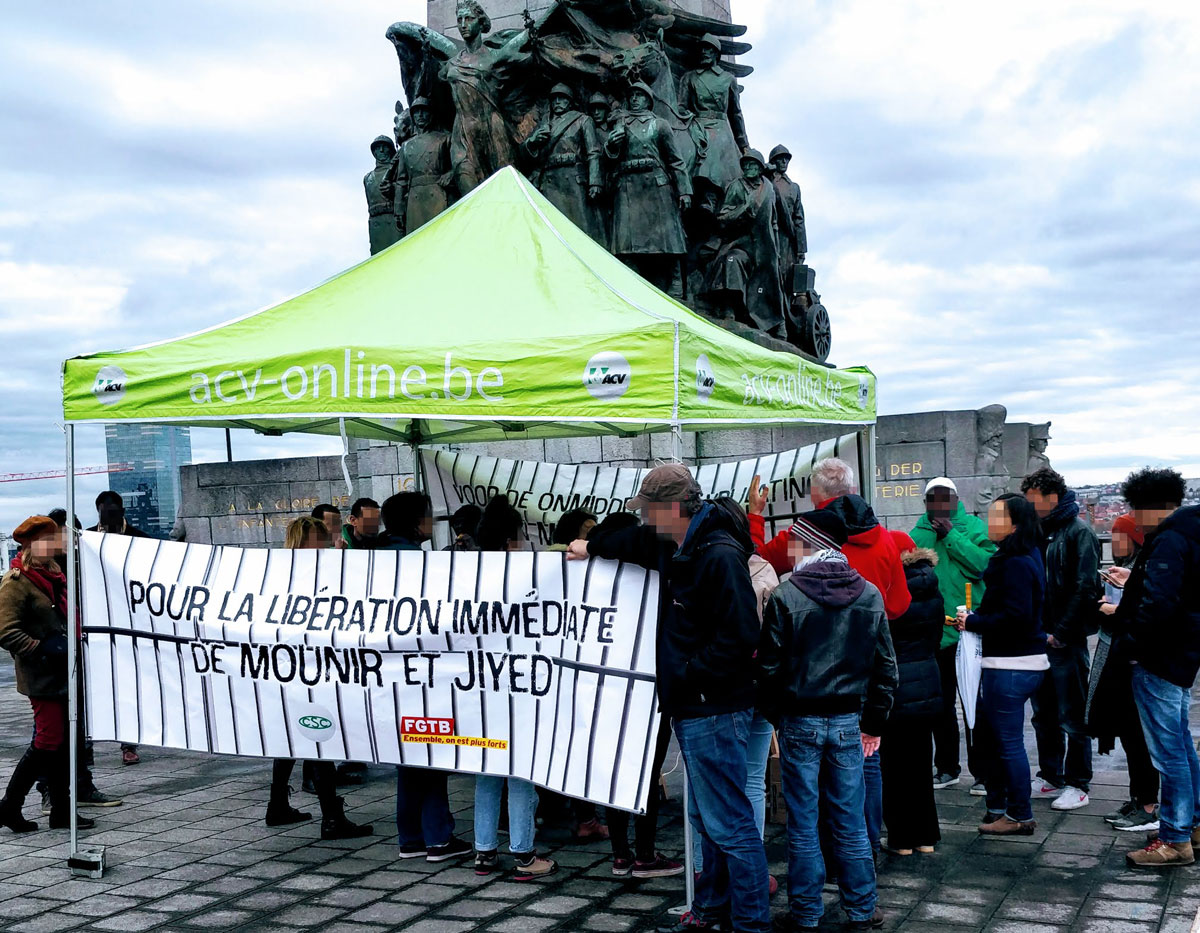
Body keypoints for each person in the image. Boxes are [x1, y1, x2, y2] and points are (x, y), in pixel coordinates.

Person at [571, 466, 769, 933]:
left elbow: (740, 635)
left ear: (672, 508)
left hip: (714, 706)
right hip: (698, 704)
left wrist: (688, 675)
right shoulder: (676, 542)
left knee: (731, 825)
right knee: (708, 819)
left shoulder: (717, 554)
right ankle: (711, 911)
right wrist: (589, 546)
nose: (645, 520)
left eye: (650, 511)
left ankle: (752, 924)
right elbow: (630, 540)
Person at [749, 459, 908, 853]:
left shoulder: (803, 536)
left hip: (807, 682)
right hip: (864, 677)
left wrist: (754, 515)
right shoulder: (886, 539)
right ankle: (863, 852)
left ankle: (819, 874)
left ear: (817, 496)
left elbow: (755, 562)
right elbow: (900, 604)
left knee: (807, 793)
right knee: (864, 768)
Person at [757, 509, 895, 931]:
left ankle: (806, 911)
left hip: (801, 718)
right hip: (848, 719)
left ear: (808, 543)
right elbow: (886, 668)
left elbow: (768, 669)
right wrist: (873, 722)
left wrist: (777, 716)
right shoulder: (869, 594)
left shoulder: (786, 595)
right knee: (850, 817)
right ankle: (860, 906)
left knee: (803, 820)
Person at [1102, 468, 1200, 868]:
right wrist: (1135, 580)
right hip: (1181, 656)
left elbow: (1158, 606)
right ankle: (1193, 823)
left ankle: (1175, 838)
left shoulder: (1168, 540)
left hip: (1157, 657)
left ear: (1148, 507)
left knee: (1168, 752)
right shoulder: (1190, 532)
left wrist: (1130, 642)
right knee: (1182, 744)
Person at [263, 517, 372, 839]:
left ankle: (278, 805)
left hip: (287, 665)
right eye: (320, 540)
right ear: (305, 542)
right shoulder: (308, 573)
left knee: (292, 737)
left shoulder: (278, 571)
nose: (325, 545)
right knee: (316, 733)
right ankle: (332, 817)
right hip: (308, 665)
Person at [952, 494, 1047, 837]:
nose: (989, 522)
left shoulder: (1016, 562)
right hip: (1012, 662)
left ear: (1015, 524)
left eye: (997, 516)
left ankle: (1019, 813)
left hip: (1010, 665)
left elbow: (1016, 617)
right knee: (993, 740)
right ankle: (998, 807)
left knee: (1007, 743)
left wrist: (974, 621)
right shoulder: (1020, 556)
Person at [472, 497, 556, 881]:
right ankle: (524, 853)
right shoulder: (523, 576)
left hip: (477, 688)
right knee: (520, 771)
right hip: (517, 686)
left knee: (485, 771)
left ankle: (484, 851)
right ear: (510, 539)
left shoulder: (466, 574)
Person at [0, 518, 96, 833]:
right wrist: (40, 649)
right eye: (48, 540)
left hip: (64, 670)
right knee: (48, 740)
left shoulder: (55, 576)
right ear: (31, 545)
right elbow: (6, 630)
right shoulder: (16, 581)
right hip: (41, 673)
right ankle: (8, 807)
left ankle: (61, 811)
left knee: (64, 741)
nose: (55, 544)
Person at [1022, 467, 1101, 812]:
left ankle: (1078, 782)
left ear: (1051, 497)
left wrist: (1063, 633)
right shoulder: (1038, 531)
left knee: (1073, 713)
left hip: (1065, 639)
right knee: (1043, 713)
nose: (1029, 507)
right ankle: (1050, 774)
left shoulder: (1078, 532)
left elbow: (1086, 588)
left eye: (1033, 501)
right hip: (1040, 636)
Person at [910, 477, 995, 795]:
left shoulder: (973, 527)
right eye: (933, 500)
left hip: (970, 634)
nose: (940, 506)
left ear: (956, 499)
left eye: (946, 499)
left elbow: (984, 565)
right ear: (926, 503)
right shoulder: (916, 536)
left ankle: (984, 773)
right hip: (935, 635)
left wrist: (952, 536)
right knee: (940, 707)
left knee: (976, 704)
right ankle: (946, 767)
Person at [880, 531, 942, 855]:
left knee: (894, 766)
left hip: (899, 687)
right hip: (928, 682)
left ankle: (902, 840)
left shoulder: (892, 589)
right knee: (921, 764)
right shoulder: (932, 585)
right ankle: (927, 837)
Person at [90, 491, 145, 766]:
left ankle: (128, 743)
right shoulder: (86, 539)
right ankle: (85, 742)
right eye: (104, 511)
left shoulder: (140, 539)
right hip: (96, 619)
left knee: (128, 682)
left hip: (129, 620)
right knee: (93, 683)